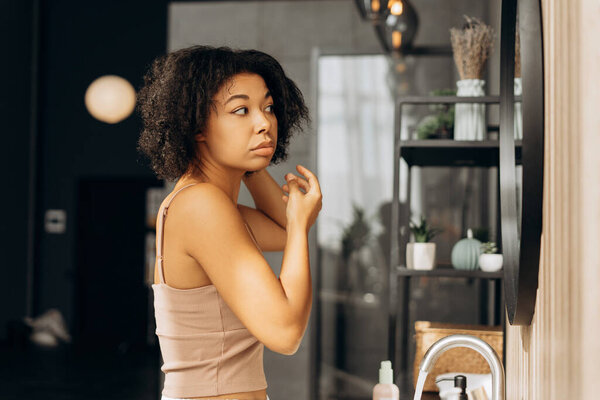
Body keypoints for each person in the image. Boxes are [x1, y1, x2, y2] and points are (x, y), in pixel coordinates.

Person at [136, 45, 322, 400]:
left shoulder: (203, 201)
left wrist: (252, 168)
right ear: (197, 127)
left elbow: (282, 233)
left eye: (268, 107)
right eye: (241, 110)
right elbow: (286, 334)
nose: (264, 123)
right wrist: (299, 225)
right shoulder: (202, 205)